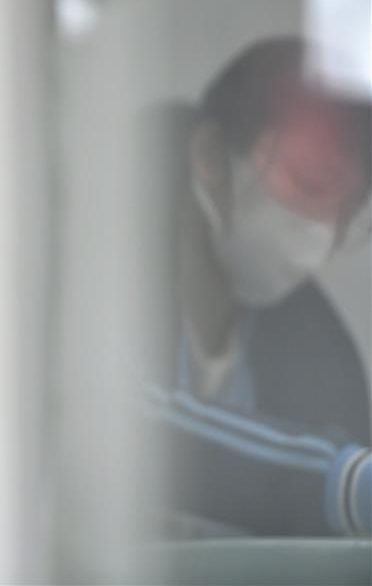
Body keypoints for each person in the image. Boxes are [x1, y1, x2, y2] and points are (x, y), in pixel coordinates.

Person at [142, 38, 371, 537]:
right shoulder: (100, 269)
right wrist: (344, 484)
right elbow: (117, 419)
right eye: (310, 187)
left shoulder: (323, 355)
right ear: (208, 158)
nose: (322, 232)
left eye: (345, 213)